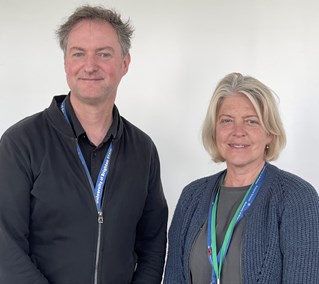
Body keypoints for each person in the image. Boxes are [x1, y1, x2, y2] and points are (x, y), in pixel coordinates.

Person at [0, 5, 168, 284]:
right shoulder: (21, 143)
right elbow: (5, 248)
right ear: (66, 62)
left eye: (104, 54)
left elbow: (153, 245)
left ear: (124, 63)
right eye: (79, 54)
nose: (90, 66)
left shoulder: (143, 150)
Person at [164, 72, 319, 284]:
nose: (238, 131)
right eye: (227, 121)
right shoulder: (192, 196)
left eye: (251, 122)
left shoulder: (297, 198)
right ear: (215, 130)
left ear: (270, 133)